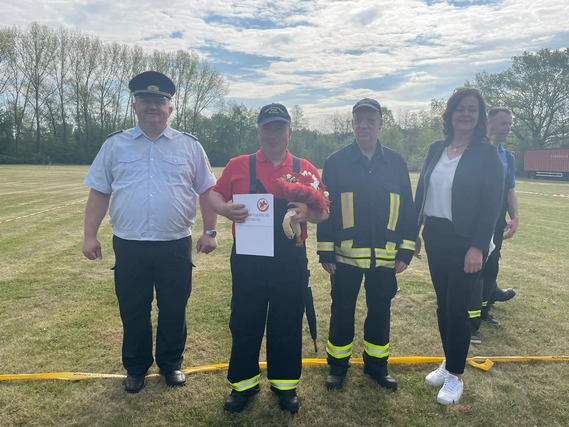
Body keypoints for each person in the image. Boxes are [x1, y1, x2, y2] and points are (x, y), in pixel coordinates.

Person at [82, 71, 218, 393]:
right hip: (130, 245)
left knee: (174, 308)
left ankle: (171, 364)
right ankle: (136, 367)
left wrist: (210, 231)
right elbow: (99, 192)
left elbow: (207, 190)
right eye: (146, 100)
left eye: (160, 101)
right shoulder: (115, 145)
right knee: (133, 309)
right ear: (135, 105)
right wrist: (90, 235)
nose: (152, 106)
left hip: (174, 244)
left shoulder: (190, 146)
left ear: (171, 108)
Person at [209, 103, 329, 414]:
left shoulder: (306, 168)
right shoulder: (238, 165)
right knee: (245, 320)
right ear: (259, 130)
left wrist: (309, 213)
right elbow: (213, 194)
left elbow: (324, 211)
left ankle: (285, 386)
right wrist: (223, 209)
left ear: (290, 131)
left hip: (290, 260)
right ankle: (243, 385)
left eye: (279, 127)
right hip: (248, 260)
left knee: (287, 321)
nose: (273, 133)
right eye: (267, 127)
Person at [317, 98, 417, 392]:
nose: (363, 125)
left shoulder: (396, 163)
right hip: (345, 256)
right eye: (358, 120)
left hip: (386, 257)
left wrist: (407, 248)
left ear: (380, 124)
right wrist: (325, 249)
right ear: (352, 124)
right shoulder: (336, 162)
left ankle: (377, 366)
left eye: (370, 120)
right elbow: (325, 208)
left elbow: (408, 208)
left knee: (380, 312)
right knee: (342, 310)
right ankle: (337, 366)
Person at [414, 88, 504, 405]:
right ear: (450, 114)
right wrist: (414, 232)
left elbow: (491, 205)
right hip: (436, 235)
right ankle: (449, 360)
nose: (466, 114)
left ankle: (456, 376)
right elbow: (422, 192)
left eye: (472, 110)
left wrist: (479, 246)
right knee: (443, 305)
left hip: (466, 241)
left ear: (479, 117)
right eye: (460, 109)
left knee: (458, 307)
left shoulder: (486, 153)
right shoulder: (436, 149)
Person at [469, 107, 519, 343]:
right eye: (503, 124)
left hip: (496, 219)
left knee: (491, 268)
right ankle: (470, 323)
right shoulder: (473, 151)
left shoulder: (507, 156)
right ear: (488, 124)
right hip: (475, 218)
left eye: (509, 124)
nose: (507, 128)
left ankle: (485, 311)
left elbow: (510, 189)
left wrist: (515, 216)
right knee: (475, 269)